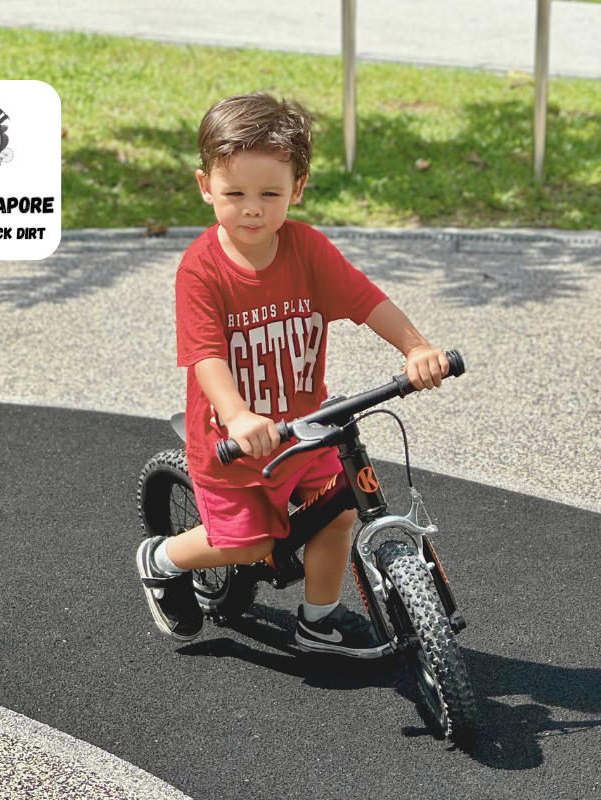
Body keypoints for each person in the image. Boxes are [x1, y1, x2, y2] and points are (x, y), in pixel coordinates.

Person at [137, 92, 449, 656]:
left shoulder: (306, 250)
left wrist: (416, 348)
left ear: (297, 189)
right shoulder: (201, 271)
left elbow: (365, 300)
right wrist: (235, 415)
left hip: (307, 427)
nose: (251, 208)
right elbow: (206, 355)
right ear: (205, 186)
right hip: (233, 443)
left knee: (342, 509)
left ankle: (318, 621)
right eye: (234, 193)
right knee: (245, 544)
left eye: (270, 194)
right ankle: (160, 560)